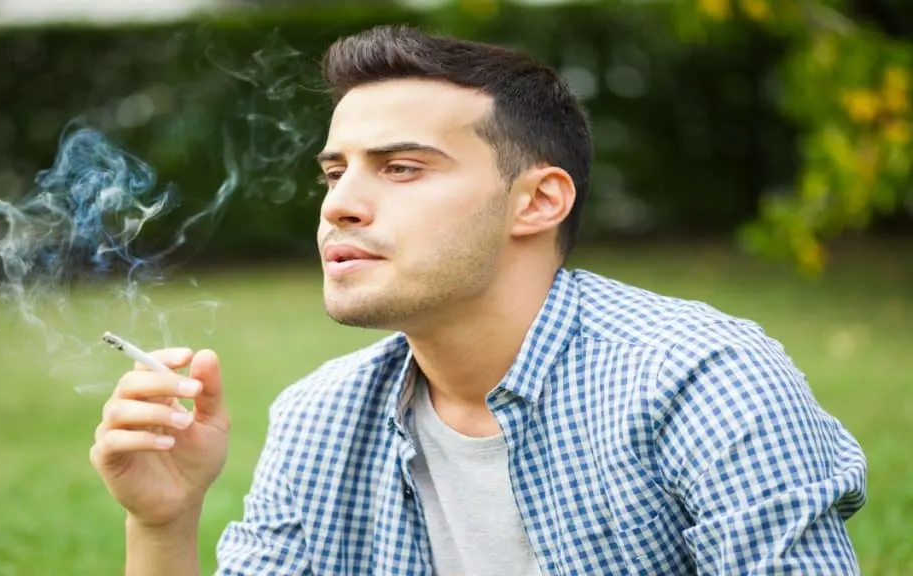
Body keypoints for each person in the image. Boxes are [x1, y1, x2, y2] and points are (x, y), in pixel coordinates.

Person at [89, 24, 867, 575]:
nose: (340, 206)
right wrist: (163, 523)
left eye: (401, 168)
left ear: (538, 201)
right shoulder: (320, 417)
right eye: (334, 173)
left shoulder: (701, 381)